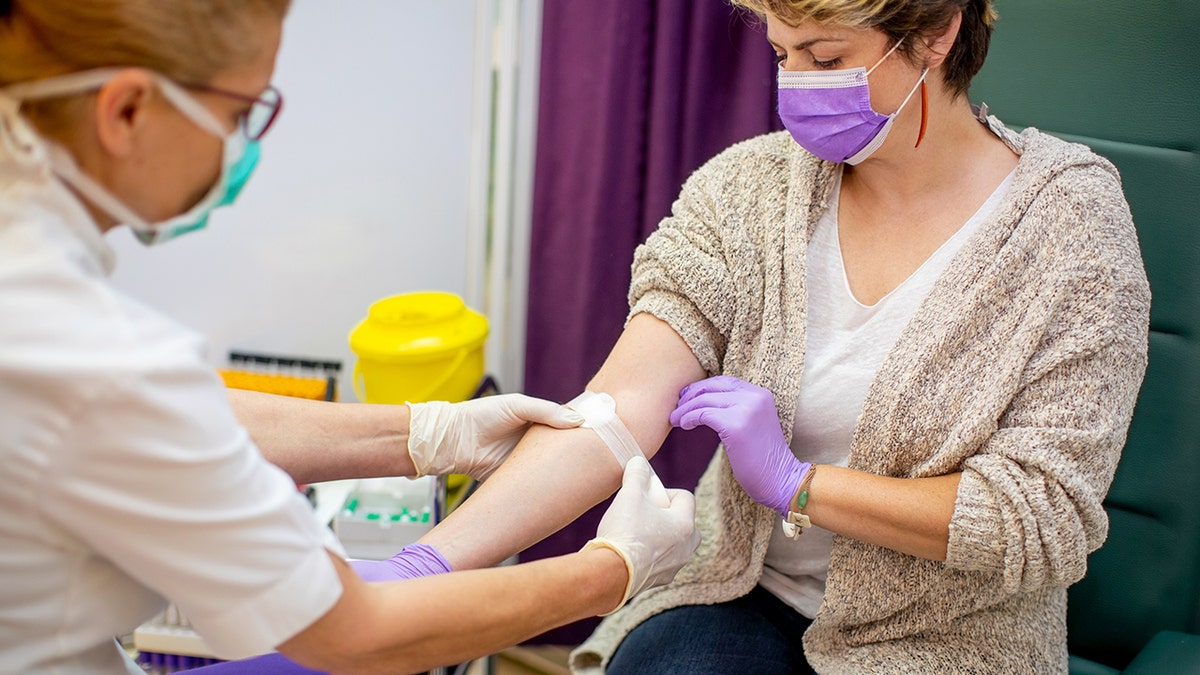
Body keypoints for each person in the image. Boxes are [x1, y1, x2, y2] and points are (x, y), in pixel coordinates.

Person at [407, 0, 1152, 672]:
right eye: (781, 55)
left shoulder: (1071, 226)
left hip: (952, 634)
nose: (796, 85)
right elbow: (615, 406)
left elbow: (1044, 513)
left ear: (935, 32)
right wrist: (426, 569)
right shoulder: (749, 189)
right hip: (743, 587)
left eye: (825, 59)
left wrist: (803, 485)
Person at [0, 1, 700, 673]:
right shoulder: (88, 351)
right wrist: (611, 569)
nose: (246, 146)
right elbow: (358, 637)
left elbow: (161, 415)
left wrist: (427, 433)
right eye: (241, 113)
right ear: (125, 110)